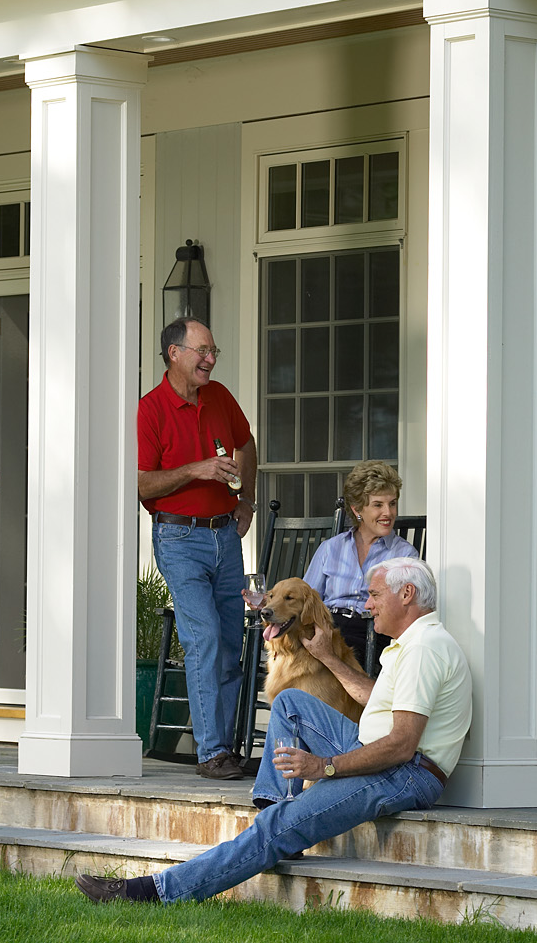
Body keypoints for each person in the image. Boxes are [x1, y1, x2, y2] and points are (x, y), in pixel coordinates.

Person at [75, 557, 471, 905]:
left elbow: (401, 746)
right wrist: (328, 658)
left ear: (406, 594)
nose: (367, 605)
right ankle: (272, 801)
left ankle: (155, 891)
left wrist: (326, 767)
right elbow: (376, 698)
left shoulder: (424, 649)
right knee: (289, 702)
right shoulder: (414, 643)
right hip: (379, 752)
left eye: (374, 595)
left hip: (404, 774)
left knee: (277, 828)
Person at [138, 318, 257, 780]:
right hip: (178, 537)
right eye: (202, 351)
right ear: (174, 353)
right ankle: (211, 753)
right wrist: (197, 470)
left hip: (224, 534)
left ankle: (222, 747)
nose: (210, 359)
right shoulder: (150, 410)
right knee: (204, 637)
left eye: (213, 351)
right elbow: (142, 481)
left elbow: (246, 444)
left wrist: (244, 500)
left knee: (229, 641)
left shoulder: (220, 397)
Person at [303, 460, 418, 672]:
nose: (388, 512)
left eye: (392, 503)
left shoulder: (404, 555)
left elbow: (403, 613)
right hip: (328, 628)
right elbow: (307, 599)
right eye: (378, 505)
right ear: (357, 510)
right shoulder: (331, 548)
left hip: (372, 634)